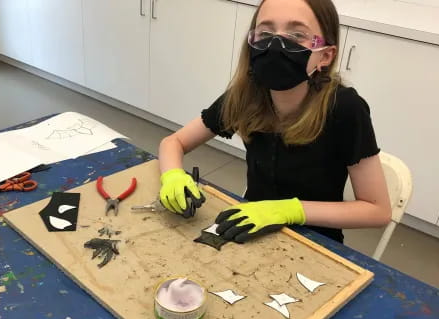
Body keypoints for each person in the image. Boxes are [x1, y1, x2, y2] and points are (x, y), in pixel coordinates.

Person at [158, 0, 391, 244]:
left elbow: (377, 210)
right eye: (265, 33)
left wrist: (289, 211)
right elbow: (174, 142)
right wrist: (173, 175)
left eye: (297, 34)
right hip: (251, 228)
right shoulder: (246, 95)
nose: (276, 44)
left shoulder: (344, 107)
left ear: (325, 55)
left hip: (315, 240)